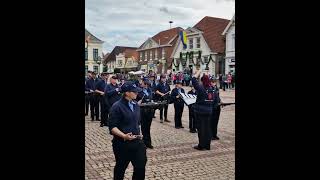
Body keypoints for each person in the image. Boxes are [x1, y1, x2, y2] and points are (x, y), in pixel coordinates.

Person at [109, 81, 147, 180]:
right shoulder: (117, 106)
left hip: (137, 143)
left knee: (140, 167)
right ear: (127, 93)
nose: (137, 93)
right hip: (122, 144)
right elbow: (112, 127)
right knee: (120, 168)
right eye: (134, 92)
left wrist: (139, 134)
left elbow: (137, 123)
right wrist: (124, 136)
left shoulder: (136, 105)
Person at [191, 69, 217, 150]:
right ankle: (207, 145)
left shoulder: (201, 88)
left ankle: (201, 145)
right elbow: (215, 101)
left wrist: (199, 71)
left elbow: (193, 79)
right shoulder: (212, 89)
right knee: (208, 128)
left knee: (201, 129)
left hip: (200, 111)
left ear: (202, 81)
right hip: (209, 111)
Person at [137, 77, 154, 149]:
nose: (146, 85)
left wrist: (152, 101)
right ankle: (144, 143)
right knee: (143, 128)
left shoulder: (150, 90)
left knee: (148, 128)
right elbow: (135, 101)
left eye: (147, 84)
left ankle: (148, 142)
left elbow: (152, 98)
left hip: (149, 111)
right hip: (142, 111)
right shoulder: (139, 91)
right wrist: (138, 102)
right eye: (145, 83)